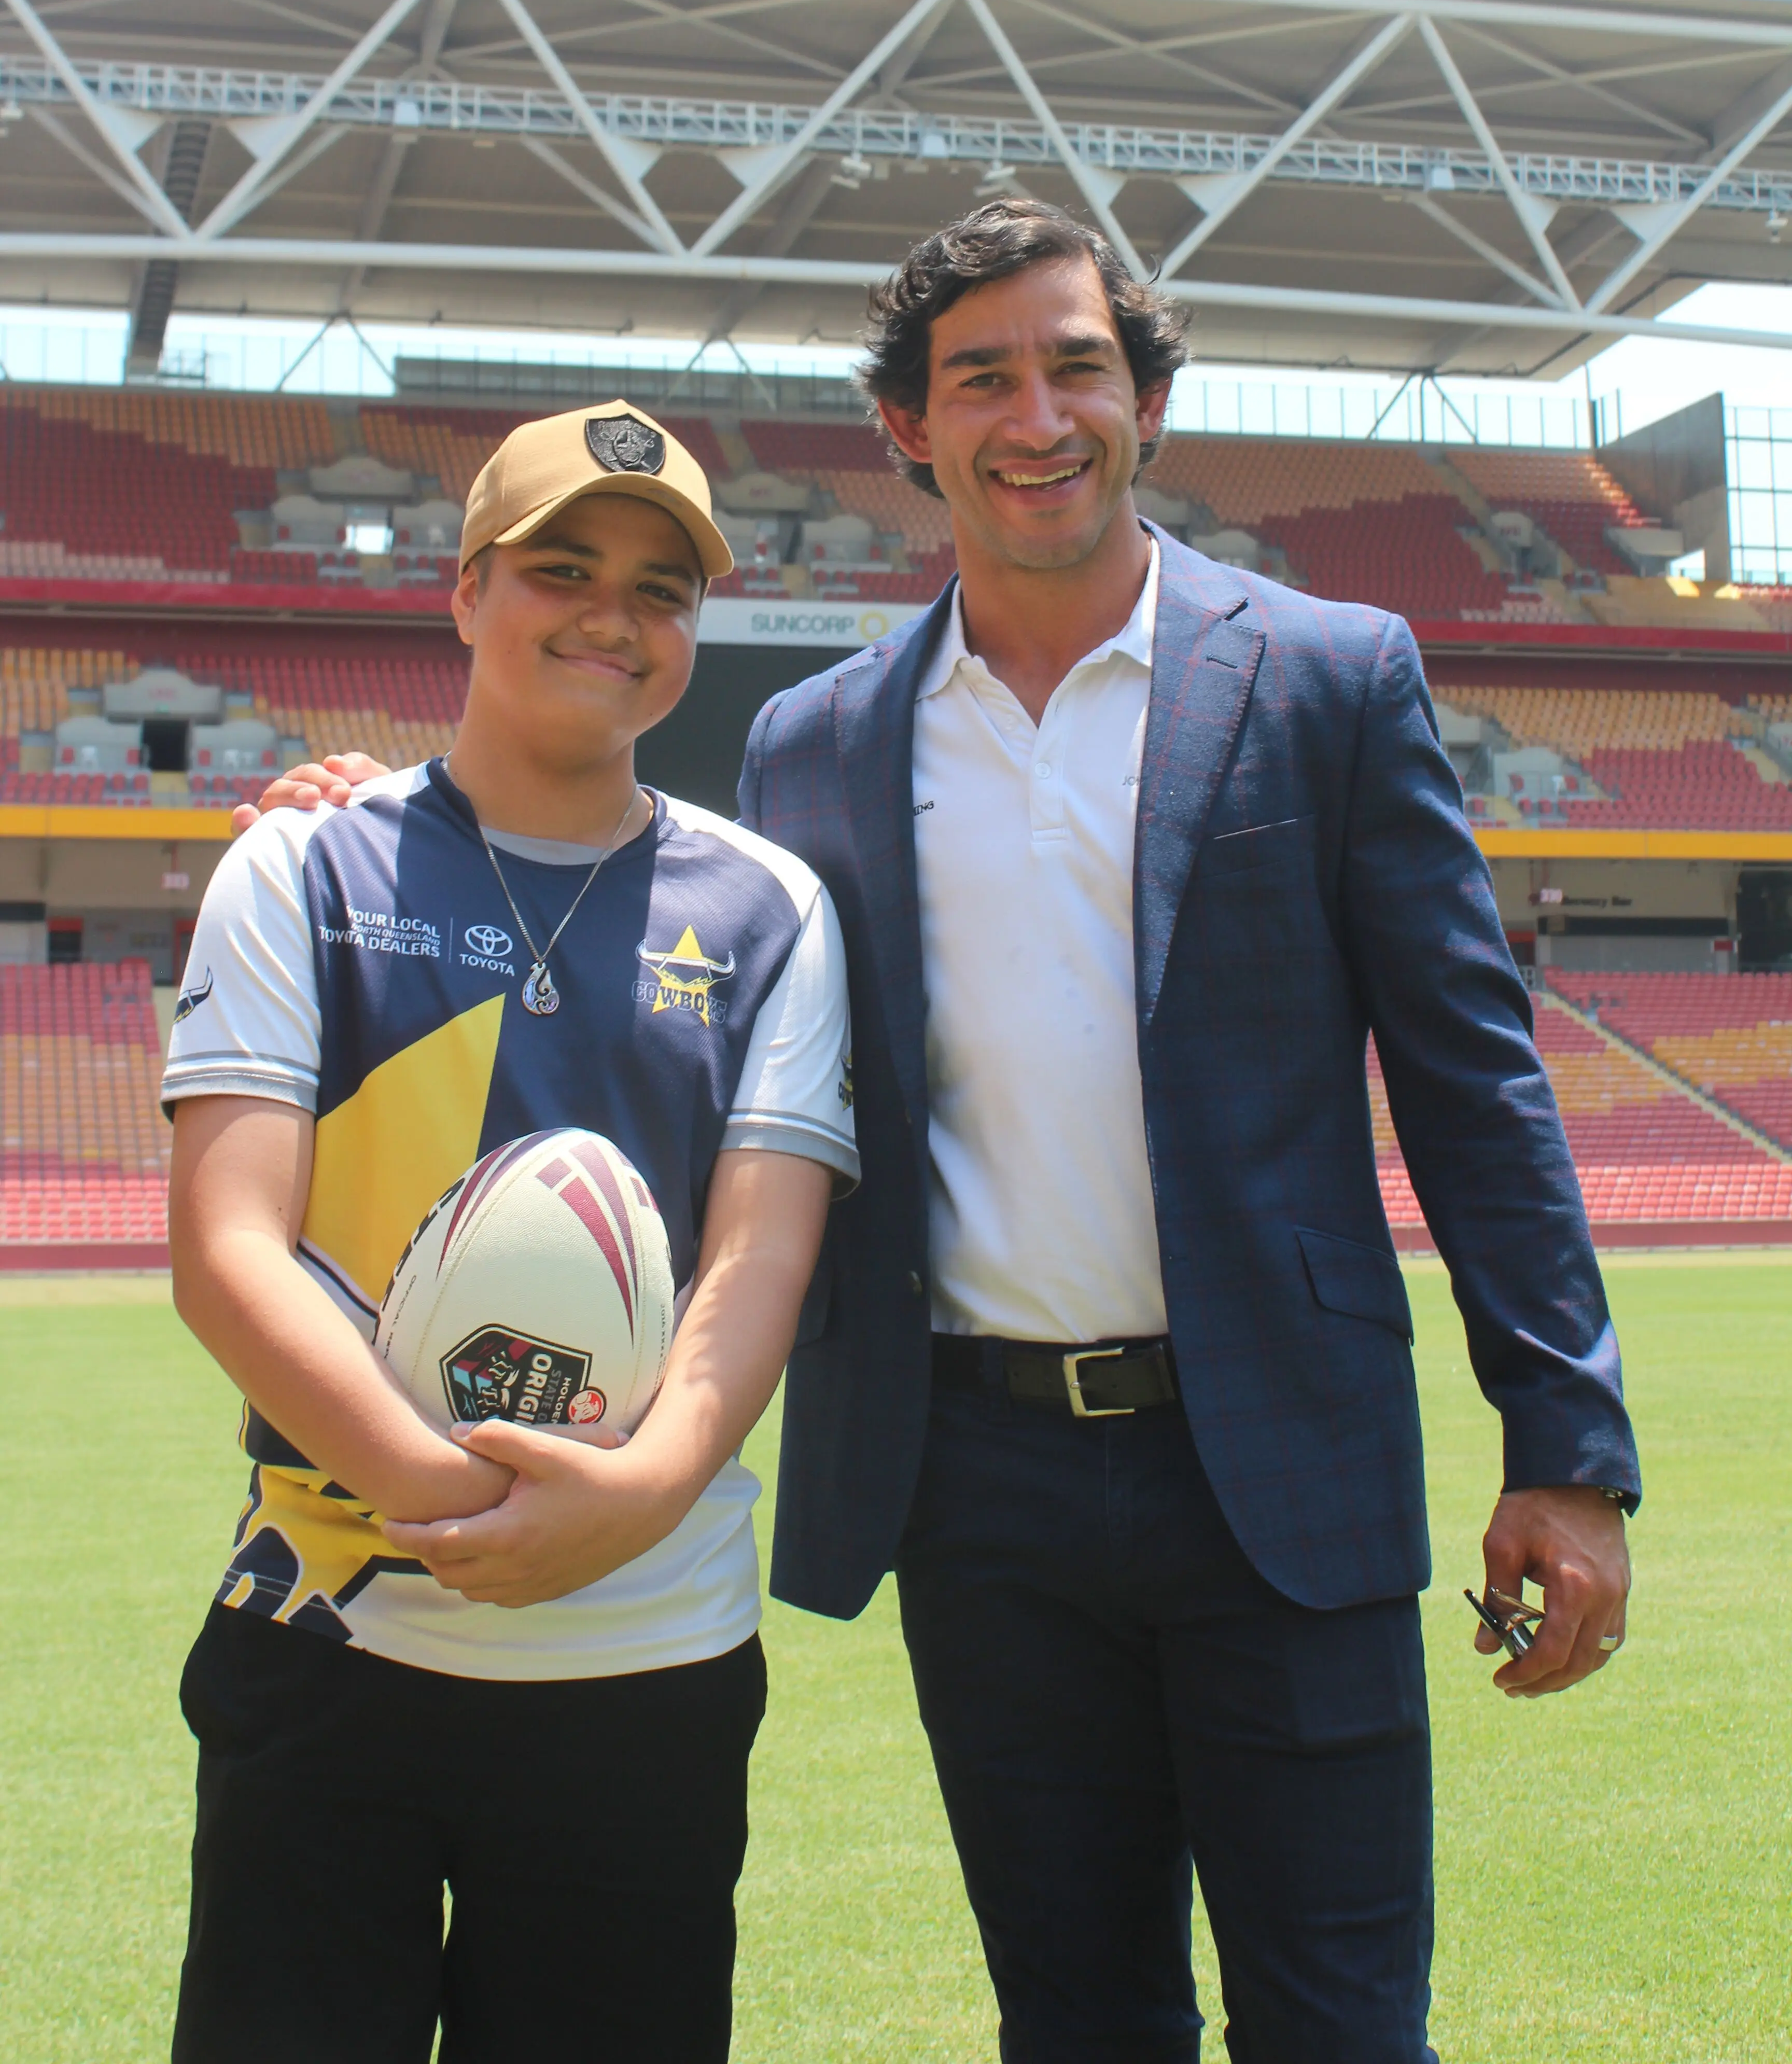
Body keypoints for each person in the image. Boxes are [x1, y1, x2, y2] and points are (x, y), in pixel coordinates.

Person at [255, 205, 1639, 2063]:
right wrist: (363, 811)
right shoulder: (819, 744)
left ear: (1149, 398)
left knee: (1340, 2025)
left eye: (1076, 365)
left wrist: (1568, 1448)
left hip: (1281, 1482)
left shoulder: (1328, 678)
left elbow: (1477, 1084)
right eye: (980, 376)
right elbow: (640, 906)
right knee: (1076, 2020)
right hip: (978, 1494)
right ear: (912, 427)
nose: (1035, 414)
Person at [166, 401, 855, 2064]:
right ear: (469, 590)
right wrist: (447, 1498)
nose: (614, 618)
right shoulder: (304, 869)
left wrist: (639, 1493)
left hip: (653, 1651)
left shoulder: (769, 910)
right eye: (564, 568)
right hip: (330, 1633)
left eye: (662, 589)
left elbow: (761, 1256)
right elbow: (227, 1252)